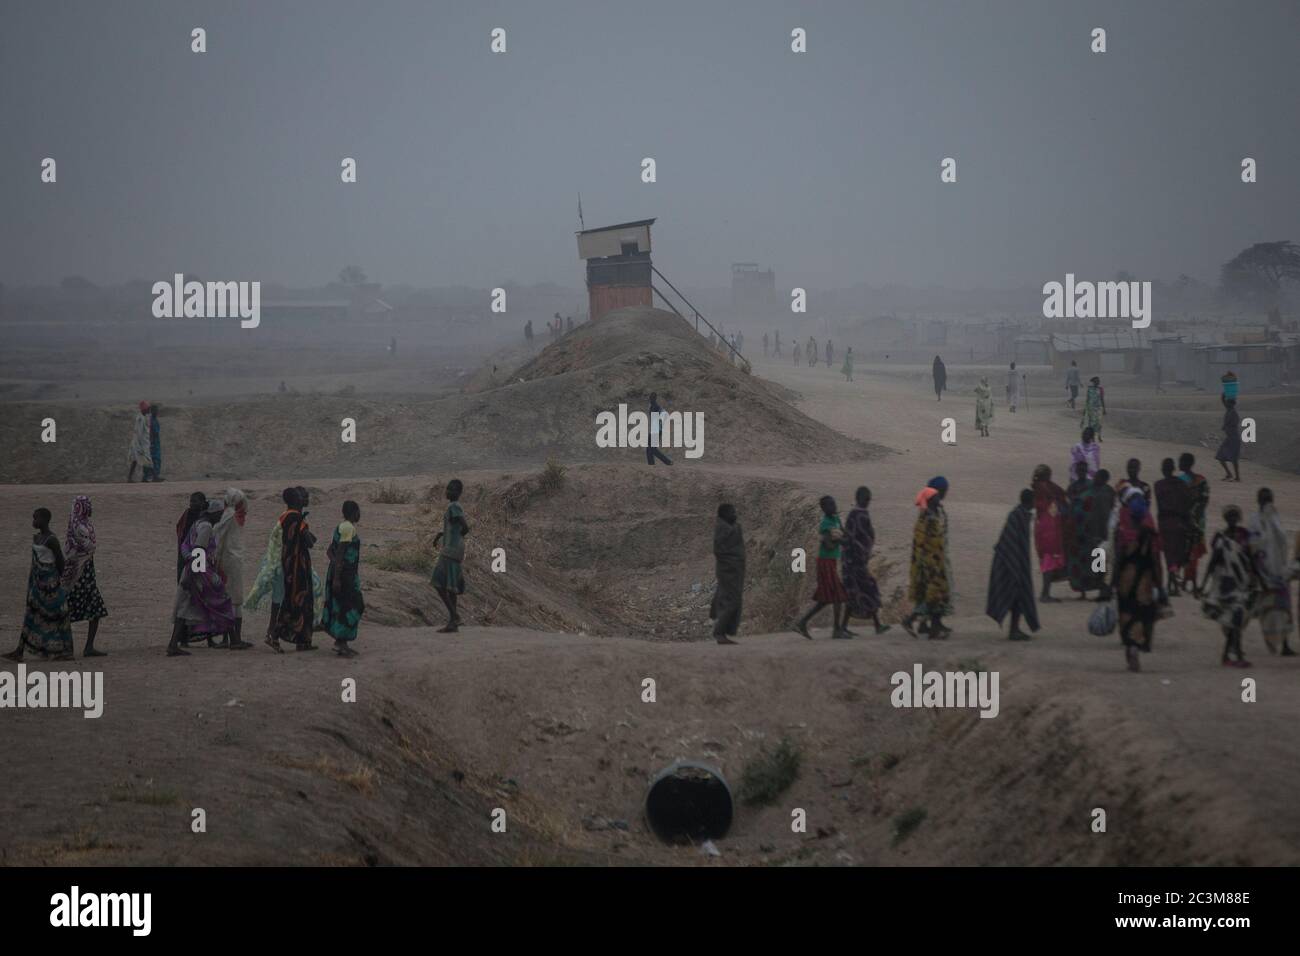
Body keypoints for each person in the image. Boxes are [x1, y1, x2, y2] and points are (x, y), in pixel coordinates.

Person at [167, 499, 237, 656]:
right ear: (214, 513)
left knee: (184, 607)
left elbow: (185, 546)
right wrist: (193, 576)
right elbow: (199, 551)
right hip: (200, 572)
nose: (221, 517)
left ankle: (173, 644)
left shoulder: (196, 524)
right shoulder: (206, 527)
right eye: (220, 514)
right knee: (223, 600)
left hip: (192, 569)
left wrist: (188, 564)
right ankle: (233, 639)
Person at [4, 508, 74, 662]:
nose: (33, 521)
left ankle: (66, 651)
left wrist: (62, 586)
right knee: (30, 615)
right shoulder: (37, 538)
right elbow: (34, 563)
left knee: (59, 615)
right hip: (38, 584)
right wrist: (32, 583)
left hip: (51, 585)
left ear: (44, 519)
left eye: (36, 518)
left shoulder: (51, 539)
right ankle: (19, 651)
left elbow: (61, 564)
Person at [1199, 505, 1259, 668]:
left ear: (1238, 518)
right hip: (1226, 586)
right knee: (1235, 621)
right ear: (1226, 519)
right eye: (1229, 517)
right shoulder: (1221, 538)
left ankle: (1230, 655)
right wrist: (1204, 584)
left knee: (1235, 621)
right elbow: (1213, 562)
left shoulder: (1244, 536)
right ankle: (1234, 655)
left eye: (1234, 517)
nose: (1232, 519)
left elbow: (1251, 559)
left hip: (1242, 583)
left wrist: (1257, 578)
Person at [1113, 487, 1162, 672]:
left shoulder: (1122, 532)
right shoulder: (1150, 534)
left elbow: (1117, 558)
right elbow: (1155, 559)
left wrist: (1111, 584)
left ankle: (1129, 649)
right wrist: (1160, 585)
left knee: (1126, 616)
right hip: (1145, 584)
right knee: (1142, 616)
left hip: (1126, 583)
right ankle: (1136, 646)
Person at [266, 488, 316, 652]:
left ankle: (302, 641)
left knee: (292, 600)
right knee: (297, 601)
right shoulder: (295, 517)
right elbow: (309, 541)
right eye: (301, 496)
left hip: (288, 563)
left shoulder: (285, 515)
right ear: (296, 499)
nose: (304, 499)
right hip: (297, 566)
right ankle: (276, 634)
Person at [986, 489, 1041, 641]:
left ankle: (1014, 628)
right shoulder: (1019, 516)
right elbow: (1012, 541)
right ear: (1030, 502)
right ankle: (1014, 630)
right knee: (1016, 595)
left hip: (1013, 560)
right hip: (1010, 562)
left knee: (1018, 596)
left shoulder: (1020, 514)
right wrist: (1017, 565)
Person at [793, 496, 850, 639]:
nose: (833, 507)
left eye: (834, 503)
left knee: (826, 599)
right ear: (824, 509)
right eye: (830, 505)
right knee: (838, 595)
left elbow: (843, 536)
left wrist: (840, 537)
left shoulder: (835, 519)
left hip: (830, 561)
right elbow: (829, 545)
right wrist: (840, 538)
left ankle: (802, 623)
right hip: (825, 563)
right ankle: (836, 630)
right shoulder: (825, 524)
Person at [902, 478, 953, 639]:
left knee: (934, 596)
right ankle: (912, 621)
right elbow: (924, 542)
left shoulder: (934, 512)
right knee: (933, 595)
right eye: (940, 493)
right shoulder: (928, 517)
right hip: (930, 564)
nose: (943, 495)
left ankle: (932, 626)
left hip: (935, 562)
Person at [1247, 488, 1294, 655]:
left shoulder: (1275, 518)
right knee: (1267, 609)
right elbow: (1253, 546)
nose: (1268, 503)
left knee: (1284, 608)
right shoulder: (1254, 520)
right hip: (1264, 572)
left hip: (1279, 571)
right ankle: (1271, 641)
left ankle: (1286, 644)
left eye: (1269, 499)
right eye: (1266, 500)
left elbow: (1282, 541)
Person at [61, 495, 108, 657]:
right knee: (89, 609)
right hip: (80, 575)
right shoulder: (80, 527)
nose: (91, 508)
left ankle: (77, 648)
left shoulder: (81, 524)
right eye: (88, 505)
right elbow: (89, 547)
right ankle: (76, 648)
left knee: (93, 609)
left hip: (84, 573)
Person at [841, 486, 890, 635]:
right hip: (855, 562)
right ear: (861, 499)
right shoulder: (859, 515)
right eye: (866, 499)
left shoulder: (856, 515)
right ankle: (876, 625)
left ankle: (874, 625)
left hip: (853, 561)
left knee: (857, 592)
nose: (867, 502)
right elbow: (856, 538)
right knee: (867, 589)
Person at [322, 500, 366, 656]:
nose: (360, 514)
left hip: (341, 572)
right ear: (354, 512)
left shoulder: (340, 526)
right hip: (345, 575)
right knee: (355, 605)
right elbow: (340, 553)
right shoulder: (348, 528)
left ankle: (342, 642)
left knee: (343, 606)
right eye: (358, 511)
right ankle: (340, 642)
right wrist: (337, 578)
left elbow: (329, 551)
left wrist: (335, 568)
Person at [213, 488, 252, 650]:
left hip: (229, 559)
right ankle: (234, 639)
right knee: (233, 600)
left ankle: (229, 638)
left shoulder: (231, 513)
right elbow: (219, 537)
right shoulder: (231, 515)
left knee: (230, 599)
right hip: (230, 560)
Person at [1068, 467, 1113, 600]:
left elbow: (1106, 514)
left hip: (1100, 535)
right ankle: (1086, 591)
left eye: (1098, 477)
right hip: (1087, 534)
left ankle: (1102, 591)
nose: (1094, 478)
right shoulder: (1090, 491)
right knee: (1088, 563)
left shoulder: (1106, 493)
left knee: (1099, 565)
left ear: (1104, 479)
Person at [431, 479, 470, 633]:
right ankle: (452, 623)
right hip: (454, 549)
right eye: (448, 489)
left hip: (450, 550)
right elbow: (455, 526)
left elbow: (465, 527)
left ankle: (455, 616)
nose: (448, 492)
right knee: (451, 587)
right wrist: (442, 534)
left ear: (458, 493)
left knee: (438, 583)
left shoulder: (454, 506)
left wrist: (455, 539)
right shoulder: (455, 507)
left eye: (452, 490)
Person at [1031, 465, 1069, 602]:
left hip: (1042, 527)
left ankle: (1045, 592)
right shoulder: (1047, 489)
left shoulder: (1038, 487)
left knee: (1046, 560)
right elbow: (1060, 498)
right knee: (1049, 561)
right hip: (1050, 528)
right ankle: (1045, 594)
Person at [1154, 458, 1190, 597]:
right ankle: (1172, 582)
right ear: (1173, 468)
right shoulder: (1182, 484)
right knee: (1177, 552)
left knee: (1169, 553)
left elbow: (1161, 505)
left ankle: (1171, 582)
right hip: (1180, 521)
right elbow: (1187, 502)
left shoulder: (1158, 485)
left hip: (1165, 522)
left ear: (1163, 469)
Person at [709, 503, 745, 645]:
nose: (735, 514)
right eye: (731, 512)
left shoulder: (731, 527)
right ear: (723, 514)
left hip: (734, 570)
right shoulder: (722, 529)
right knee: (733, 600)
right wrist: (732, 562)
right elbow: (720, 551)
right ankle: (719, 632)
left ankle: (716, 616)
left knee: (726, 595)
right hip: (728, 570)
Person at [1179, 452, 1210, 595]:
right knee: (1194, 553)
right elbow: (1205, 501)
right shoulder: (1202, 480)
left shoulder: (1179, 480)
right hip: (1199, 521)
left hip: (1185, 521)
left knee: (1186, 551)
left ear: (1185, 464)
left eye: (1181, 461)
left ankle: (1187, 581)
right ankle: (1191, 581)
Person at [176, 492, 207, 582]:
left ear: (203, 502)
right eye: (191, 501)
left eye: (195, 501)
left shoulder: (206, 516)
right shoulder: (187, 514)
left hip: (200, 550)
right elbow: (180, 528)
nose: (192, 504)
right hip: (185, 549)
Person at [1215, 398, 1242, 482]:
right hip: (1229, 438)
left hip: (1234, 438)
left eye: (1227, 403)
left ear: (1231, 404)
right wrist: (1223, 395)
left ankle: (1237, 477)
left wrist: (1226, 425)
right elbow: (1223, 402)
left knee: (1234, 459)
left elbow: (1234, 423)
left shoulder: (1234, 413)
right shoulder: (1229, 410)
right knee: (1220, 456)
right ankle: (1229, 474)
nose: (1226, 404)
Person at [127, 400, 153, 482]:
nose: (149, 410)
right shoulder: (140, 419)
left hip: (141, 443)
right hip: (140, 444)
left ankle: (131, 478)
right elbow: (139, 433)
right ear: (144, 409)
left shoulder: (144, 417)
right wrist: (139, 446)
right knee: (147, 460)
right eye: (148, 408)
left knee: (136, 460)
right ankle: (149, 477)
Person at [646, 392, 673, 466]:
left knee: (652, 449)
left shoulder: (655, 406)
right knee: (649, 448)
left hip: (656, 430)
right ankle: (651, 464)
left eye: (650, 398)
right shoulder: (654, 406)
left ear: (651, 398)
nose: (649, 399)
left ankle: (667, 462)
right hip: (656, 429)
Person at [148, 403, 163, 482]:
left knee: (157, 459)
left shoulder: (155, 420)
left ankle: (155, 476)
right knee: (154, 459)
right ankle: (154, 476)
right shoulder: (151, 421)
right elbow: (150, 433)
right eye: (155, 411)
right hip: (153, 443)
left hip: (156, 442)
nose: (157, 412)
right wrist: (151, 443)